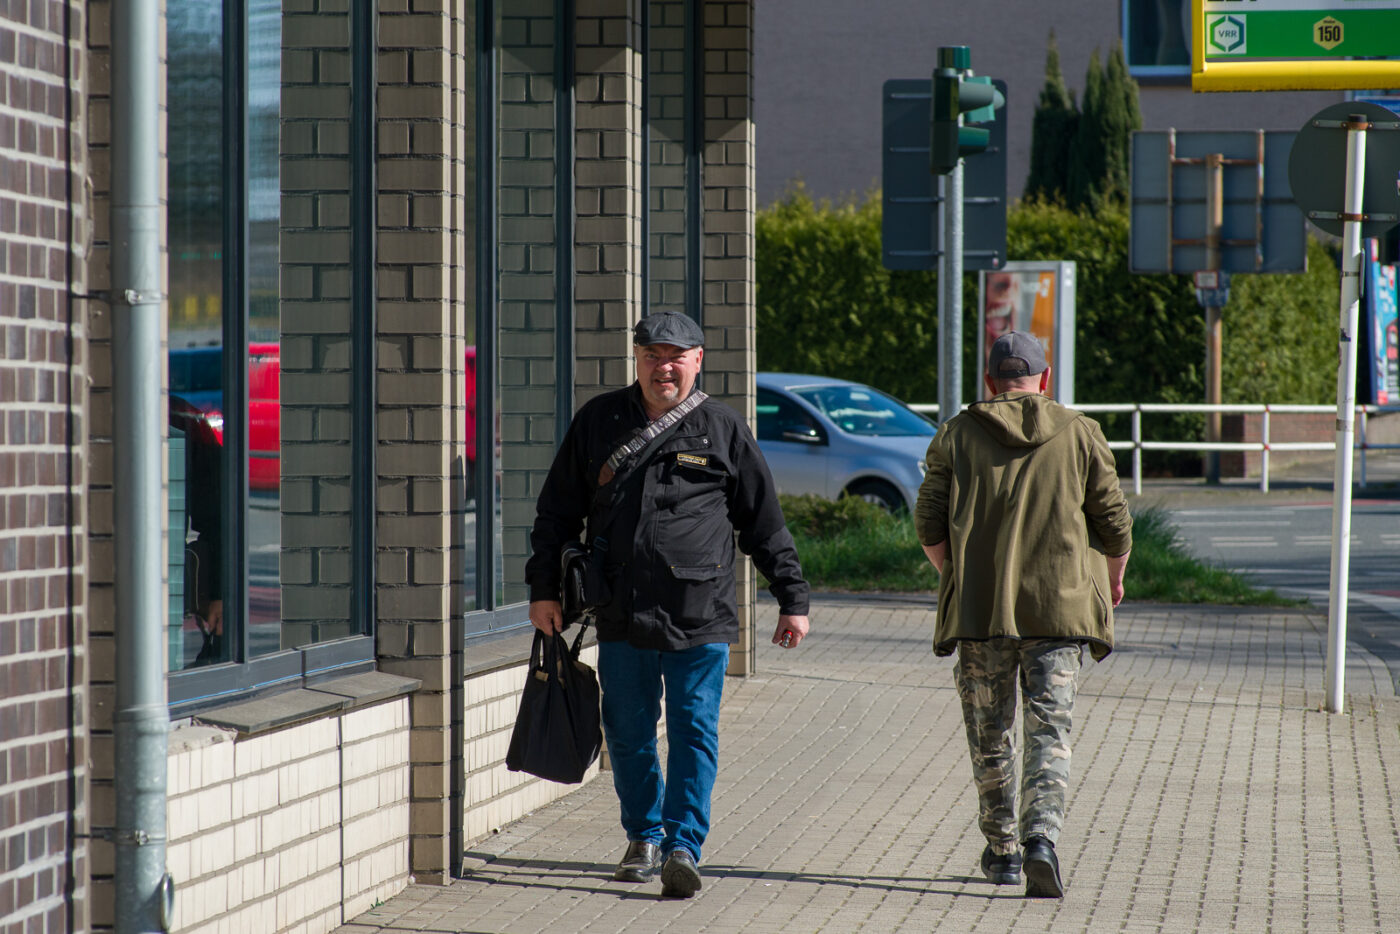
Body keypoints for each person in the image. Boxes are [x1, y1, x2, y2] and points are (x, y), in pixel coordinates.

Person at [526, 311, 811, 899]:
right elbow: (555, 515)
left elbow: (765, 524)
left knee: (692, 730)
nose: (665, 366)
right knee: (626, 732)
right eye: (654, 354)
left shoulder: (723, 428)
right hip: (621, 611)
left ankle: (684, 846)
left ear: (698, 360)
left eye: (677, 355)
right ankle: (644, 835)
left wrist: (792, 598)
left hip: (699, 612)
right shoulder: (599, 421)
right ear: (637, 359)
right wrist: (542, 590)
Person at [913, 330, 1132, 899]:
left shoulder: (957, 434)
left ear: (990, 383)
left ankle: (1003, 851)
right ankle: (1042, 841)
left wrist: (954, 576)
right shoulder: (1081, 432)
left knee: (991, 734)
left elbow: (928, 523)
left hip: (980, 612)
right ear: (1045, 378)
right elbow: (1114, 522)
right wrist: (1113, 578)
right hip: (1059, 613)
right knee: (1049, 730)